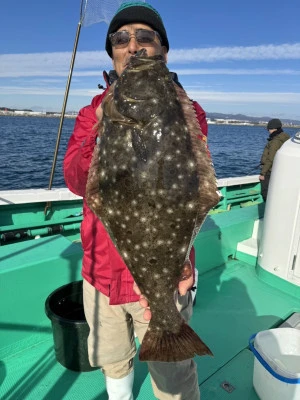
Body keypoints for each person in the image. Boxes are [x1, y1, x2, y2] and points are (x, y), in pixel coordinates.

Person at [64, 3, 210, 399]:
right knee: (114, 359)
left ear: (164, 50)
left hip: (164, 273)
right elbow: (77, 180)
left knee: (173, 376)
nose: (134, 46)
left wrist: (184, 262)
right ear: (112, 53)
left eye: (146, 37)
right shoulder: (91, 114)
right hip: (101, 273)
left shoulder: (189, 112)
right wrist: (103, 122)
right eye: (121, 39)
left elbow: (188, 191)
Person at [259, 118, 290, 201]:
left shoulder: (275, 141)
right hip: (280, 170)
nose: (268, 131)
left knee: (265, 193)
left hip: (269, 171)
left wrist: (263, 173)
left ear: (274, 129)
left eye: (269, 129)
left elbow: (270, 158)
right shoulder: (286, 138)